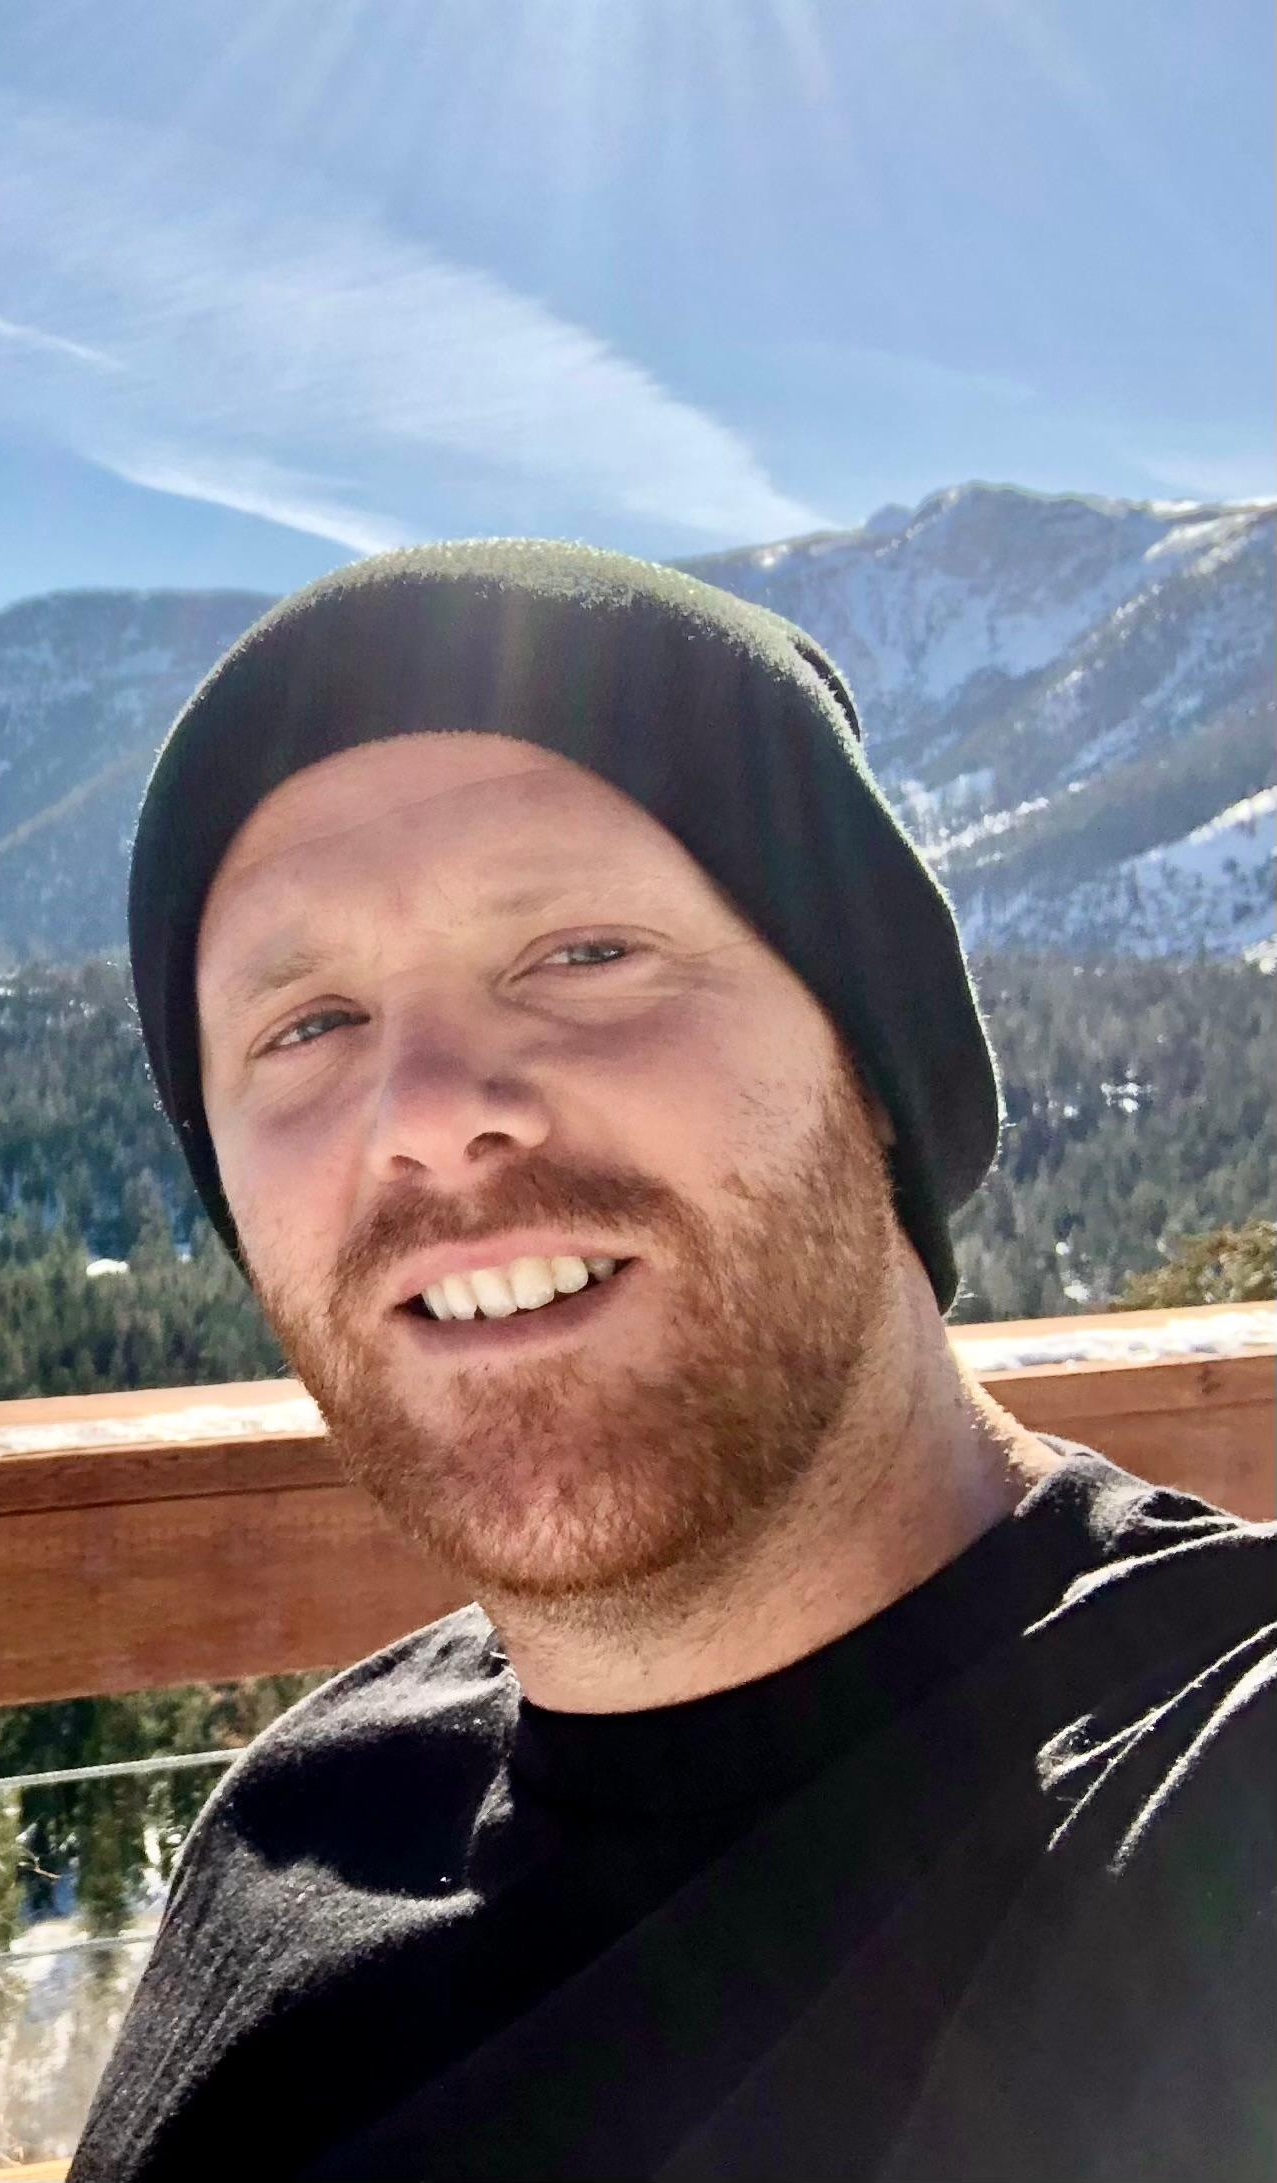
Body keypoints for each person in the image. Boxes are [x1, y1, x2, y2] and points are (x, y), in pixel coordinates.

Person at [70, 543, 1274, 2183]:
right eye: (308, 1026)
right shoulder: (298, 1826)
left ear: (873, 1059)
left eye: (582, 953)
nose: (427, 1113)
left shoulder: (1210, 1798)